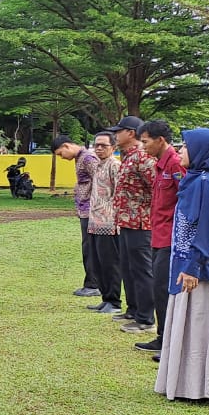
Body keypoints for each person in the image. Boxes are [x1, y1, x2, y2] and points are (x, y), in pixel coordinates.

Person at [155, 128, 209, 402]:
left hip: (206, 269)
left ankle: (202, 388)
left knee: (203, 322)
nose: (180, 151)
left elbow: (208, 228)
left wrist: (194, 266)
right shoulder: (195, 179)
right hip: (190, 261)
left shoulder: (207, 182)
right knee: (192, 323)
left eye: (185, 146)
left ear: (204, 152)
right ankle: (186, 385)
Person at [136, 121, 186, 359]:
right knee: (159, 289)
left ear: (160, 140)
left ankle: (170, 343)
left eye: (145, 141)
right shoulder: (160, 165)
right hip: (158, 235)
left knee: (165, 291)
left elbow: (185, 201)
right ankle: (162, 337)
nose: (142, 146)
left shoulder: (176, 164)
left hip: (171, 239)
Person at [106, 115, 157, 336]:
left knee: (142, 270)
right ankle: (133, 310)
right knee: (127, 267)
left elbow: (157, 188)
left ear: (131, 133)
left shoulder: (144, 157)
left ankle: (146, 318)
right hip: (126, 221)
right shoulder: (128, 157)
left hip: (141, 223)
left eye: (119, 131)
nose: (115, 135)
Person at [53, 135, 100, 298]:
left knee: (90, 248)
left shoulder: (88, 158)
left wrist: (96, 206)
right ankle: (92, 283)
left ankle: (93, 284)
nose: (62, 158)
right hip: (85, 209)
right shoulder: (80, 158)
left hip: (92, 210)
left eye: (60, 154)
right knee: (88, 247)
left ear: (66, 146)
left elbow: (100, 181)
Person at [85, 133, 124, 316]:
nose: (99, 148)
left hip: (109, 224)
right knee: (99, 263)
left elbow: (119, 194)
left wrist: (116, 219)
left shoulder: (115, 166)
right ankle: (106, 298)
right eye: (96, 145)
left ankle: (114, 301)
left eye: (103, 145)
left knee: (110, 264)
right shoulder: (98, 166)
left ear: (113, 147)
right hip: (95, 222)